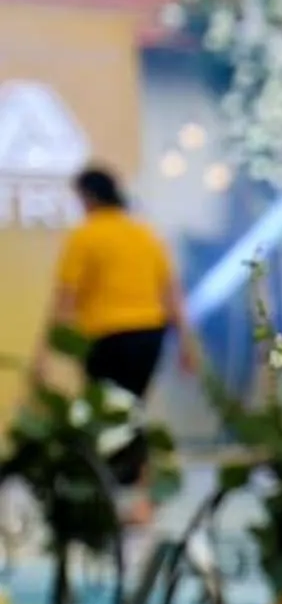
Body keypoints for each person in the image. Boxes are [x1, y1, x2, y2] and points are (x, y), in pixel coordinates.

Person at [45, 166, 199, 488]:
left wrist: (47, 348)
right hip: (148, 334)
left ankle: (108, 489)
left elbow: (66, 297)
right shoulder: (145, 234)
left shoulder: (85, 235)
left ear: (88, 196)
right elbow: (172, 293)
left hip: (105, 336)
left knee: (106, 415)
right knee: (133, 409)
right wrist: (187, 343)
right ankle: (138, 489)